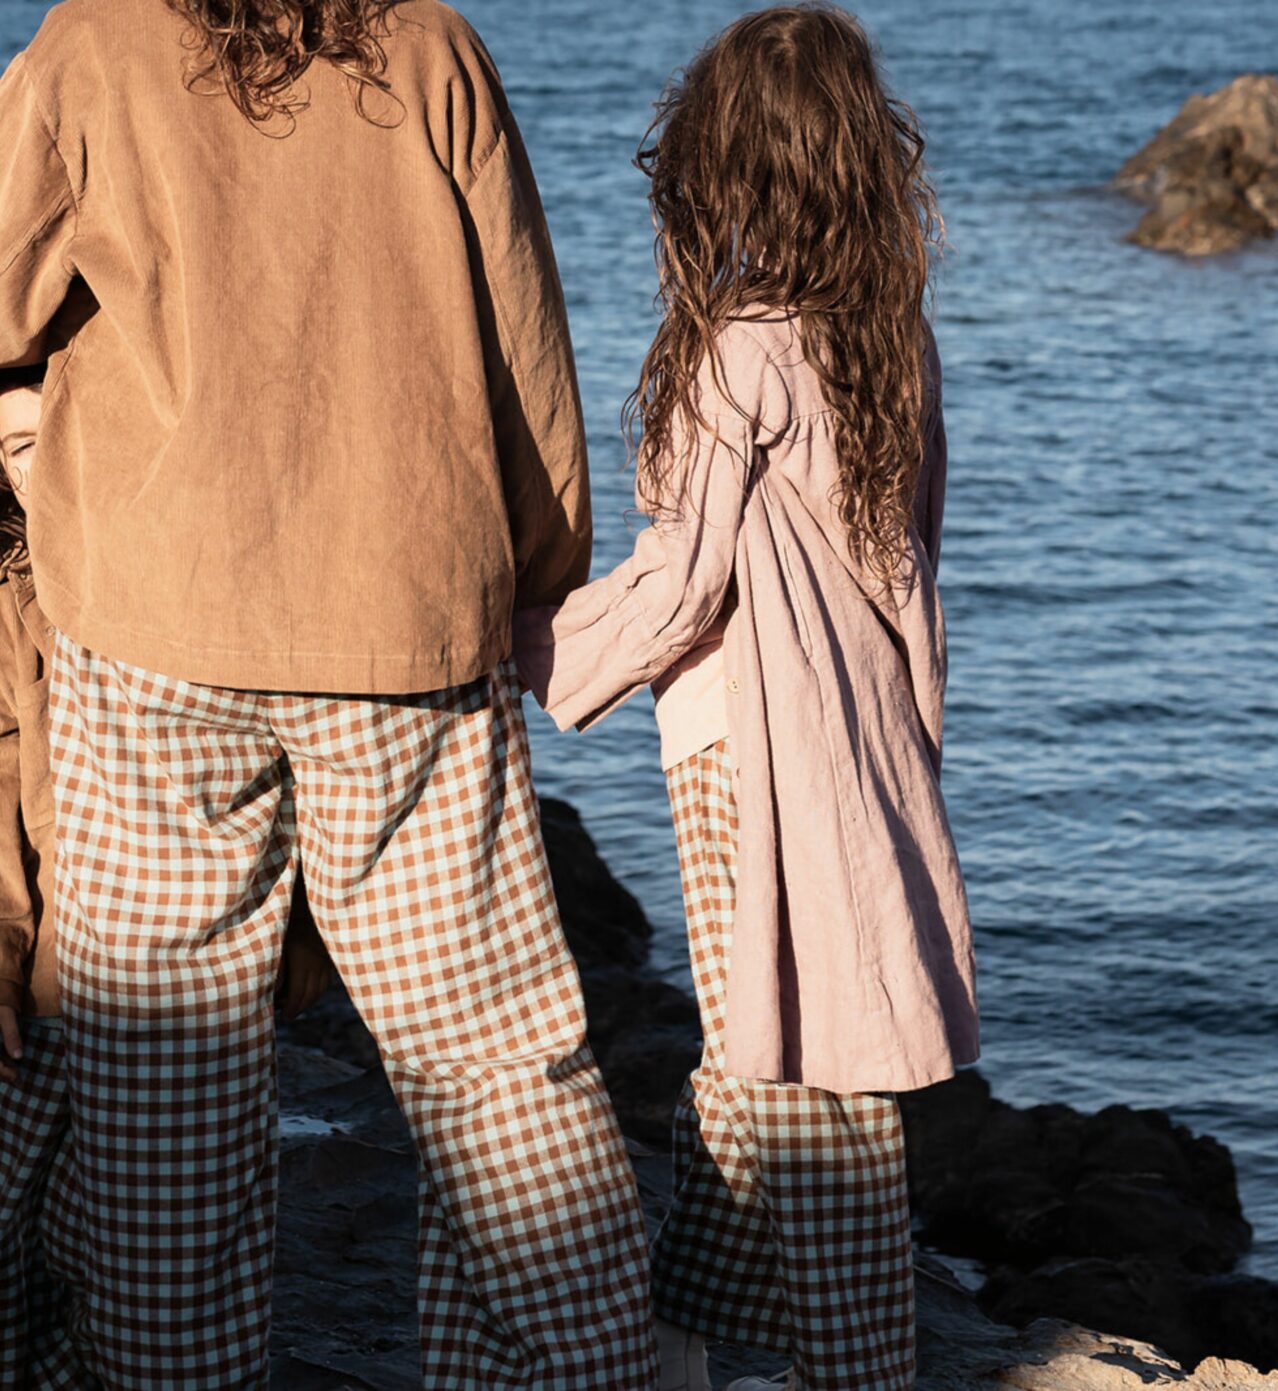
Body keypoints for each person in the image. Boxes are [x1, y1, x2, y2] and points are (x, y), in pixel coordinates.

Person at [0, 0, 660, 1385]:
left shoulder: (94, 44)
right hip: (407, 630)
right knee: (497, 1075)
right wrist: (529, 575)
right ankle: (584, 1365)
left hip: (153, 630)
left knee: (160, 1100)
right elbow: (528, 355)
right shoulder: (431, 47)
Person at [514, 7, 979, 1390]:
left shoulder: (738, 349)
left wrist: (516, 651)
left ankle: (851, 1366)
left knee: (807, 1073)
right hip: (871, 737)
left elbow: (681, 583)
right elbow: (913, 565)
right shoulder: (889, 340)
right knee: (759, 1040)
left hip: (750, 752)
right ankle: (675, 1335)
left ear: (725, 168)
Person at [0, 370, 334, 1388]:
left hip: (189, 1004)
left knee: (167, 1251)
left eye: (61, 434)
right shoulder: (0, 625)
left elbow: (284, 789)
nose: (46, 461)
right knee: (8, 1239)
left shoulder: (207, 590)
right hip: (47, 999)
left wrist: (299, 941)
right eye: (16, 447)